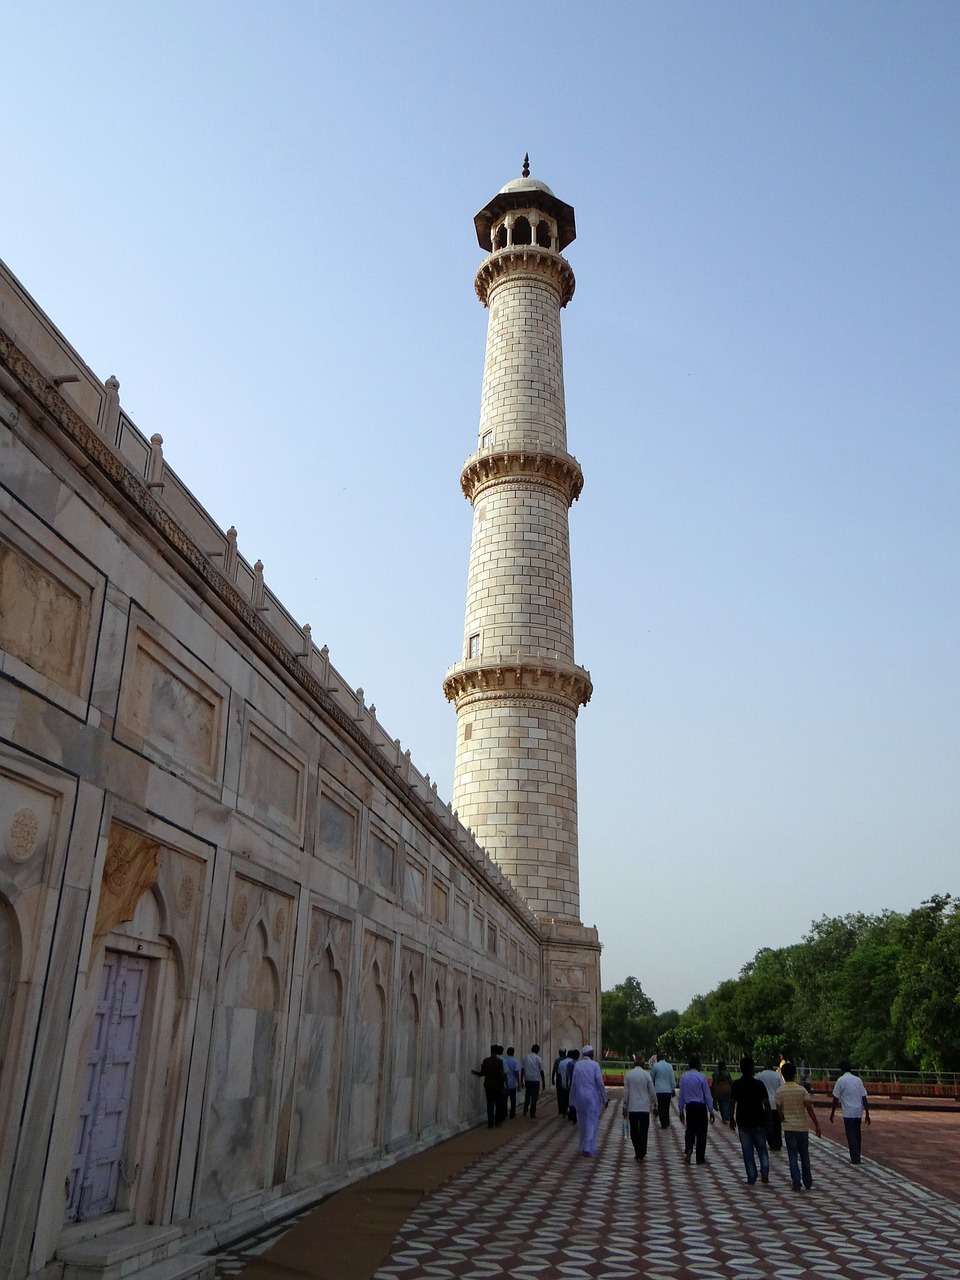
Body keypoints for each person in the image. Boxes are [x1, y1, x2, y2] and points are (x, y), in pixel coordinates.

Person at [776, 1059, 822, 1191]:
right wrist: (816, 1124)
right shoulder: (801, 1090)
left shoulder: (780, 1091)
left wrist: (782, 1118)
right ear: (795, 1074)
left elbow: (779, 1110)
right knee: (804, 1155)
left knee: (792, 1155)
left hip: (789, 1127)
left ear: (783, 1075)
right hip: (802, 1126)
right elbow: (809, 1108)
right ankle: (808, 1180)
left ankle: (796, 1182)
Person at [729, 1054, 771, 1186]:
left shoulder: (737, 1084)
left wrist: (731, 1118)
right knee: (762, 1149)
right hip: (759, 1120)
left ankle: (751, 1176)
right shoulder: (759, 1084)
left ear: (741, 1069)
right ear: (753, 1069)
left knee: (747, 1151)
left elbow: (732, 1102)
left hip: (743, 1121)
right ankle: (764, 1171)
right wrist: (769, 1119)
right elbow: (766, 1103)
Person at [568, 1045, 607, 1156]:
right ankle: (588, 1147)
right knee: (591, 1121)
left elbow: (574, 1083)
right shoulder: (595, 1065)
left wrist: (572, 1100)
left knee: (582, 1122)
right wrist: (604, 1098)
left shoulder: (578, 1065)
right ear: (591, 1054)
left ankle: (582, 1145)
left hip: (580, 1096)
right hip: (592, 1097)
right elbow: (599, 1082)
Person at [677, 1055, 715, 1165]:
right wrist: (711, 1110)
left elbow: (682, 1094)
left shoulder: (684, 1077)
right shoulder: (702, 1077)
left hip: (690, 1107)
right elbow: (707, 1095)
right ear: (697, 1065)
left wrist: (680, 1110)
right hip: (700, 1107)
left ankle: (689, 1149)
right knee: (701, 1133)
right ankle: (700, 1157)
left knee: (690, 1130)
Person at [830, 1062, 870, 1164]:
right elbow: (864, 1097)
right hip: (858, 1111)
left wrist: (832, 1112)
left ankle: (855, 1157)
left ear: (841, 1070)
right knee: (857, 1134)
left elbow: (835, 1098)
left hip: (848, 1112)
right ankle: (857, 1155)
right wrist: (867, 1114)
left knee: (851, 1134)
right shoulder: (858, 1080)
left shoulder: (841, 1081)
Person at [621, 1052, 658, 1161]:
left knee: (633, 1131)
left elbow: (626, 1092)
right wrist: (655, 1104)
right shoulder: (646, 1075)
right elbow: (652, 1091)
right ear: (643, 1064)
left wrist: (624, 1105)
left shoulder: (629, 1074)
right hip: (644, 1108)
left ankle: (638, 1150)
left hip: (632, 1107)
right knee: (643, 1131)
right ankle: (641, 1152)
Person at [472, 1044, 506, 1129]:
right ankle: (497, 1122)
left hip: (489, 1085)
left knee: (490, 1105)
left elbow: (482, 1073)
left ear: (491, 1051)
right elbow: (501, 1075)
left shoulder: (486, 1061)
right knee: (498, 1104)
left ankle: (490, 1123)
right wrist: (502, 1086)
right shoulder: (499, 1062)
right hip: (498, 1086)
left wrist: (475, 1072)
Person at [757, 1058, 784, 1151]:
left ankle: (772, 1143)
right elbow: (782, 1088)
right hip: (776, 1103)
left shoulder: (760, 1075)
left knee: (768, 1125)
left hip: (765, 1104)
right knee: (777, 1124)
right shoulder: (777, 1075)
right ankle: (778, 1143)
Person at [650, 1052, 676, 1128]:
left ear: (658, 1058)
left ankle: (663, 1122)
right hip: (667, 1090)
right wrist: (673, 1088)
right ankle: (667, 1121)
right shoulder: (669, 1066)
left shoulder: (655, 1066)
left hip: (659, 1090)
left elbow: (652, 1078)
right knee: (666, 1106)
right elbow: (672, 1078)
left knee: (661, 1106)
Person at [521, 1043, 546, 1118]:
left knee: (527, 1095)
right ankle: (532, 1113)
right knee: (534, 1097)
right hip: (535, 1080)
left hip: (527, 1079)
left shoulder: (526, 1057)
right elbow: (541, 1071)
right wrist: (543, 1082)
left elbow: (522, 1069)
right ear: (537, 1051)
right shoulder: (538, 1058)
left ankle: (525, 1110)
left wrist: (521, 1079)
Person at [711, 1059, 733, 1123]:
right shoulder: (727, 1073)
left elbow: (714, 1085)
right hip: (727, 1091)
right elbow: (731, 1082)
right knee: (726, 1104)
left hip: (719, 1092)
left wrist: (713, 1095)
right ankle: (726, 1117)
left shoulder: (715, 1074)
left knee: (721, 1105)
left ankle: (724, 1117)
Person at [559, 1048, 579, 1123]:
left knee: (570, 1100)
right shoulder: (579, 1064)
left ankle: (571, 1114)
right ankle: (574, 1115)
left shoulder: (570, 1064)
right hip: (577, 1085)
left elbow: (568, 1076)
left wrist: (567, 1084)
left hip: (571, 1084)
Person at [503, 1046, 521, 1120]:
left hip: (504, 1083)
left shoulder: (504, 1060)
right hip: (512, 1083)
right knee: (513, 1099)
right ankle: (512, 1113)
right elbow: (516, 1072)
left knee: (504, 1099)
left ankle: (504, 1113)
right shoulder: (515, 1061)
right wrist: (518, 1083)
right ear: (513, 1053)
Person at [552, 1049, 569, 1116]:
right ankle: (565, 1109)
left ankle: (561, 1110)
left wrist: (552, 1079)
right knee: (565, 1095)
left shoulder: (557, 1061)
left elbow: (554, 1070)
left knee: (560, 1095)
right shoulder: (567, 1061)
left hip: (559, 1079)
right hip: (565, 1079)